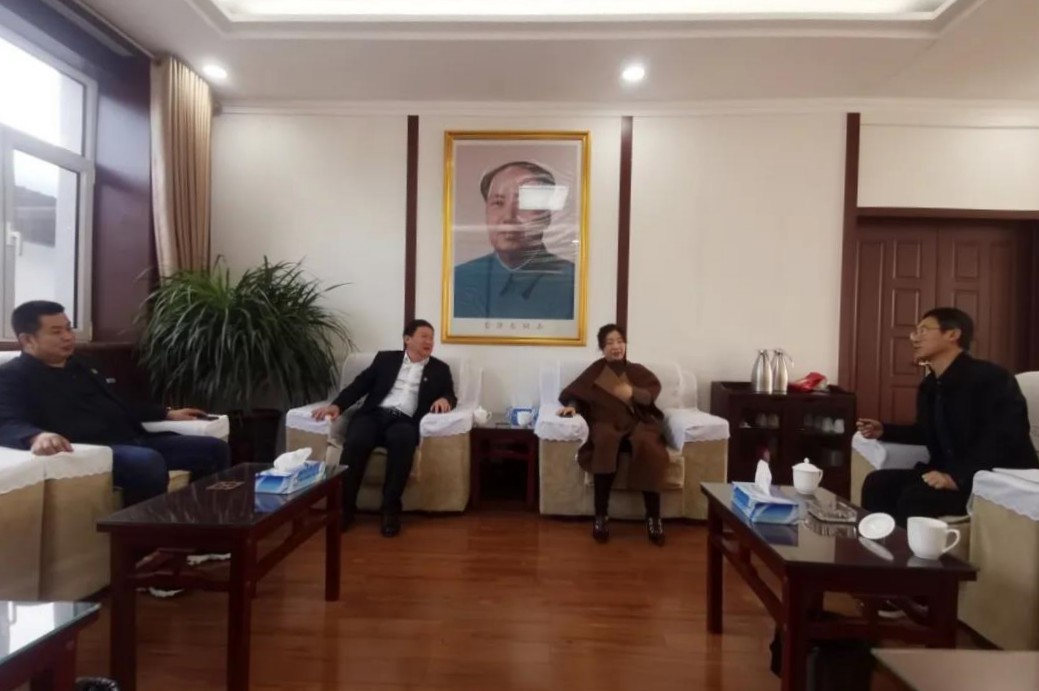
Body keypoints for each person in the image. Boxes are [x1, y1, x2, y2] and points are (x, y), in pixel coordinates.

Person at [0, 301, 230, 507]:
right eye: (56, 332)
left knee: (213, 449)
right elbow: (6, 421)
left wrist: (166, 413)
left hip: (133, 440)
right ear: (27, 339)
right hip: (93, 450)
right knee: (147, 462)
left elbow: (119, 404)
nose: (68, 337)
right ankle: (145, 539)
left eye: (69, 329)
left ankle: (202, 523)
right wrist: (36, 436)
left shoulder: (83, 365)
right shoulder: (12, 375)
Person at [858, 307, 1037, 526]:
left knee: (915, 499)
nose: (915, 338)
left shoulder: (991, 377)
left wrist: (958, 478)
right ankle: (875, 545)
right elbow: (925, 432)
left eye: (924, 330)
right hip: (949, 472)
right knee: (878, 483)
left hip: (993, 479)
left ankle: (908, 550)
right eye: (915, 332)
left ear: (952, 334)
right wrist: (884, 430)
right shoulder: (930, 385)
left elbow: (1006, 437)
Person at [312, 319, 456, 537]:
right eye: (424, 336)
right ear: (408, 339)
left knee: (403, 442)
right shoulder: (385, 359)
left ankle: (390, 511)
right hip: (373, 415)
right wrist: (337, 406)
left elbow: (450, 394)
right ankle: (345, 510)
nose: (429, 341)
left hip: (405, 420)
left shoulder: (440, 369)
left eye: (432, 337)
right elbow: (360, 385)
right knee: (356, 442)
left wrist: (445, 399)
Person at [557, 324, 669, 545]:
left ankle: (654, 518)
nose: (616, 346)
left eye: (619, 341)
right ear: (602, 348)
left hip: (637, 424)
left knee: (649, 445)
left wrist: (632, 392)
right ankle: (600, 516)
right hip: (606, 423)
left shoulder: (636, 370)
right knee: (605, 441)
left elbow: (650, 395)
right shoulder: (595, 371)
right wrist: (572, 407)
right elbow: (577, 393)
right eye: (610, 343)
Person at [453, 160, 576, 320]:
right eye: (498, 203)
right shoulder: (459, 280)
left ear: (546, 217)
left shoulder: (573, 282)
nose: (508, 217)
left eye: (523, 204)